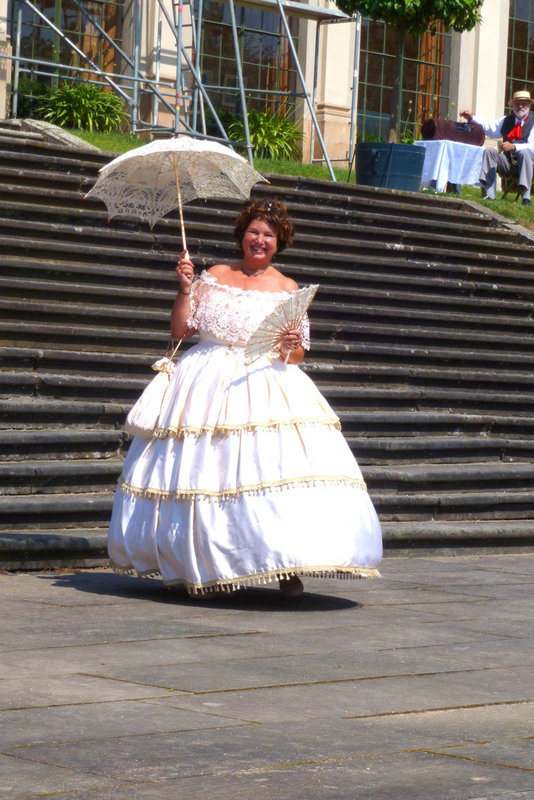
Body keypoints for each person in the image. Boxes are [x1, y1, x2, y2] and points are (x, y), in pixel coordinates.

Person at [108, 199, 382, 598]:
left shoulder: (288, 290)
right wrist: (186, 289)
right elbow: (182, 328)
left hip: (265, 383)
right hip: (203, 384)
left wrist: (289, 345)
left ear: (279, 242)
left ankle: (288, 567)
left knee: (273, 473)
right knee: (205, 474)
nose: (260, 240)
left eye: (269, 235)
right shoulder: (215, 276)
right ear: (242, 235)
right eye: (254, 231)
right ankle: (204, 564)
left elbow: (298, 353)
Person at [461, 90, 534, 206]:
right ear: (513, 105)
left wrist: (514, 146)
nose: (520, 106)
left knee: (525, 152)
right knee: (489, 151)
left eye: (524, 104)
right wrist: (471, 118)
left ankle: (526, 198)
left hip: (525, 164)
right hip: (506, 162)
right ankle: (489, 194)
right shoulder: (506, 120)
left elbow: (532, 146)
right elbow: (489, 127)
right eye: (517, 103)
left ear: (529, 105)